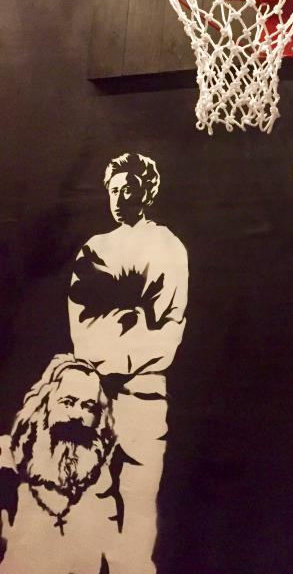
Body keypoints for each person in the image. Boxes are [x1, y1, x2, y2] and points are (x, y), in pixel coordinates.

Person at [67, 153, 189, 574]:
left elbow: (167, 329)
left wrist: (120, 333)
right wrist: (132, 317)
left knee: (138, 496)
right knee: (92, 491)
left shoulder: (167, 247)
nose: (120, 198)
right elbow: (82, 327)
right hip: (93, 393)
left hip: (144, 392)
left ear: (147, 193)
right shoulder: (95, 248)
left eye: (129, 189)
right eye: (114, 190)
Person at [0, 355, 117, 573]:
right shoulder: (6, 465)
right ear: (44, 407)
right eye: (68, 402)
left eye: (88, 407)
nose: (77, 415)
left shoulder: (106, 488)